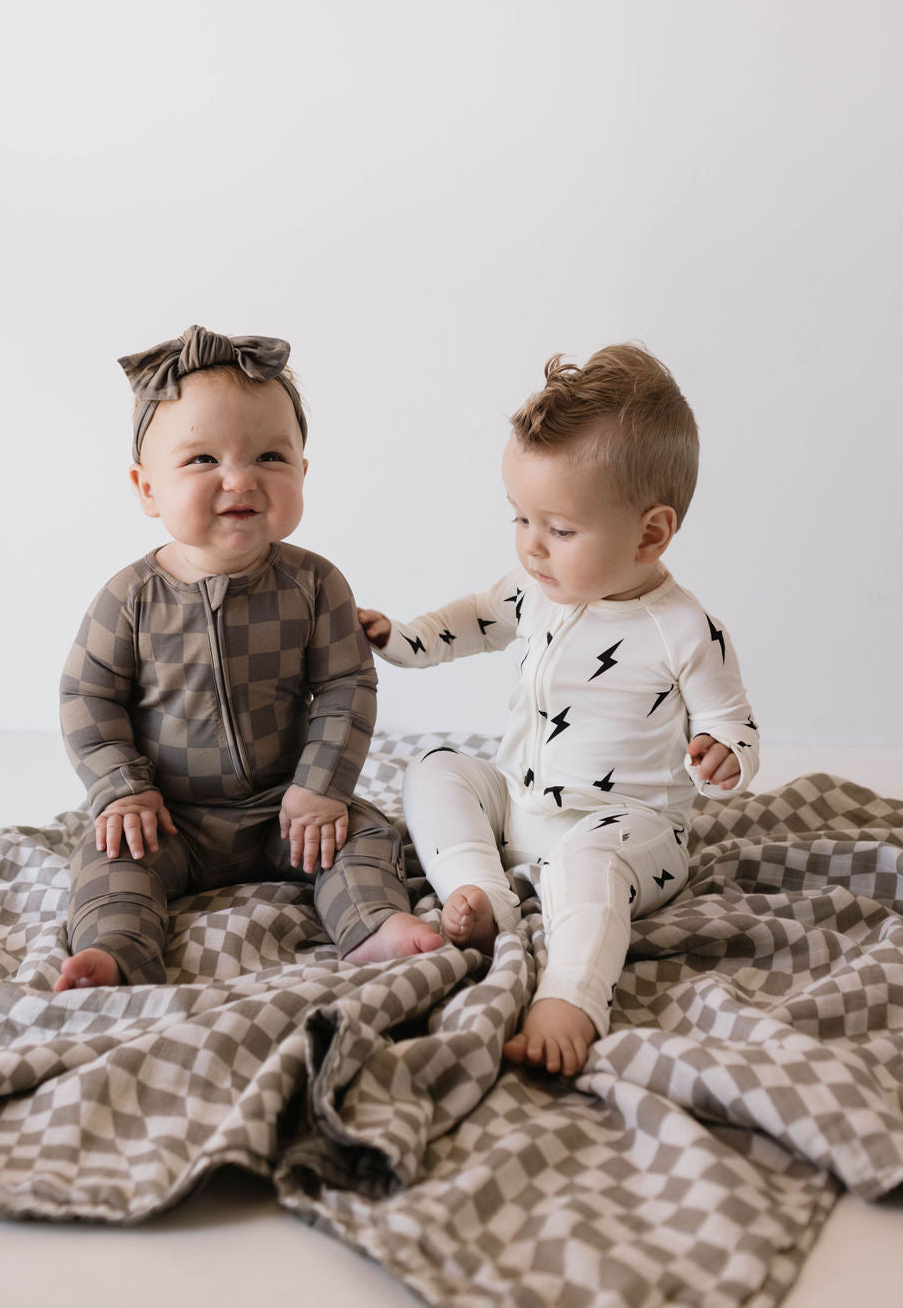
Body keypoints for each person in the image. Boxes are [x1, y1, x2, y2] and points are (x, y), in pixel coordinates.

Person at [359, 344, 759, 1076]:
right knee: (437, 767)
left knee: (590, 858)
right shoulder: (536, 587)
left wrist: (723, 753)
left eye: (560, 530)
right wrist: (403, 638)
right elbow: (478, 617)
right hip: (521, 803)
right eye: (521, 518)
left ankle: (571, 996)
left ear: (650, 532)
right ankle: (479, 895)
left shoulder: (683, 628)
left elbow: (732, 719)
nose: (532, 548)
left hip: (629, 830)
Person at [55, 326, 442, 992]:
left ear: (301, 473)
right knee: (107, 854)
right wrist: (123, 788)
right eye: (203, 459)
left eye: (269, 455)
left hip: (284, 809)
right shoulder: (130, 597)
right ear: (146, 488)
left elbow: (348, 684)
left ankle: (373, 923)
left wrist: (320, 786)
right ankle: (117, 948)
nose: (240, 478)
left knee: (368, 834)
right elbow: (87, 698)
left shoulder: (316, 585)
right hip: (169, 816)